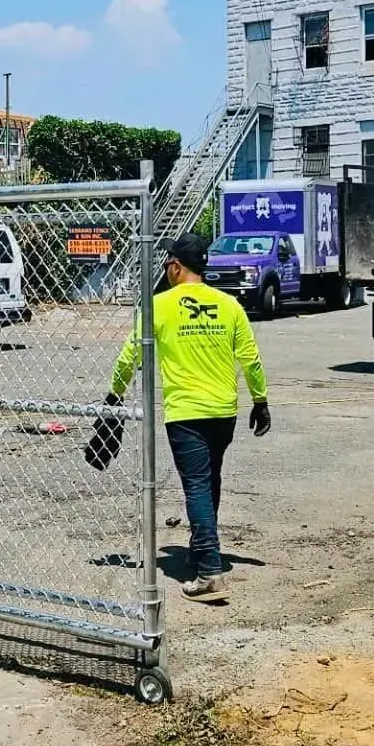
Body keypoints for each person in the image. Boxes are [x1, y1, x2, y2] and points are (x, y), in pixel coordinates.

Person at [107, 233, 271, 604]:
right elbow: (250, 357)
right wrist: (260, 400)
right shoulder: (228, 305)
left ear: (177, 266)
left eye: (168, 263)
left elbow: (129, 354)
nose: (166, 269)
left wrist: (115, 392)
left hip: (186, 413)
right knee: (210, 479)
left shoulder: (160, 306)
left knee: (196, 484)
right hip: (223, 411)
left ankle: (210, 570)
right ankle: (202, 547)